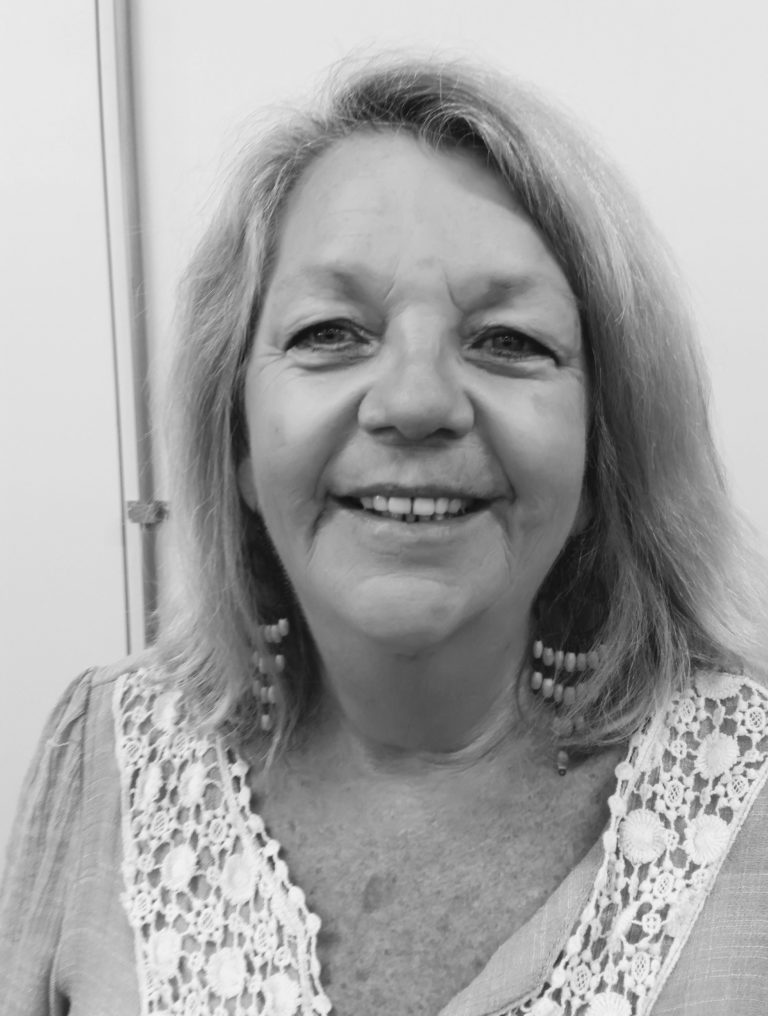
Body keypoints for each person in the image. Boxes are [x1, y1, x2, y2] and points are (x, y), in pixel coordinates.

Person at [1, 56, 767, 1016]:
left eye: (509, 340)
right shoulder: (103, 761)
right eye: (330, 332)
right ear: (237, 439)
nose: (414, 401)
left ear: (601, 449)